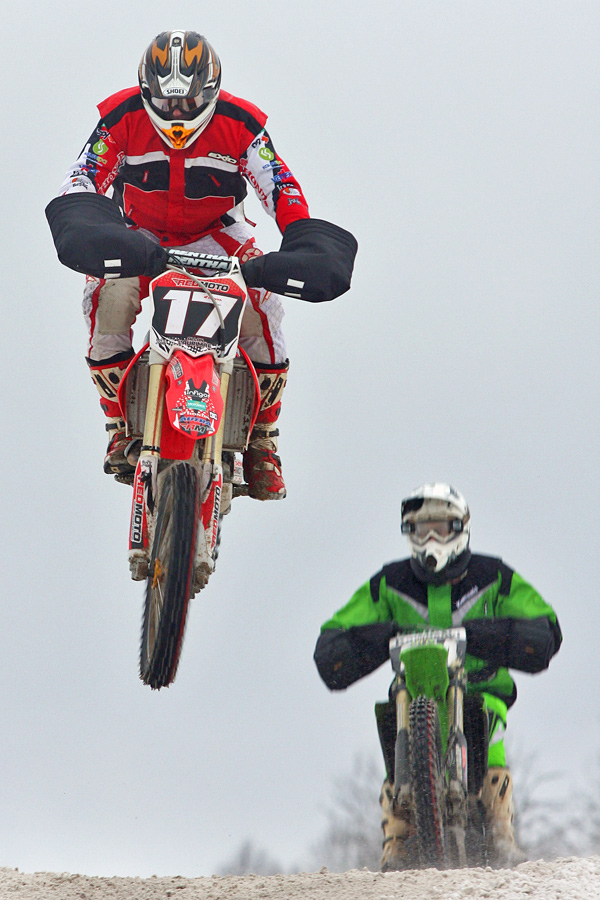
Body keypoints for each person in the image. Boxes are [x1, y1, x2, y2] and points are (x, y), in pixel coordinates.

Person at [46, 30, 357, 498]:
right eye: (166, 102)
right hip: (138, 233)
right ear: (146, 92)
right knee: (105, 295)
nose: (177, 113)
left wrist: (302, 238)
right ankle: (118, 424)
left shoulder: (241, 123)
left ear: (210, 92)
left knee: (263, 306)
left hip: (218, 234)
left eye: (188, 102)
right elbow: (83, 175)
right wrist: (84, 219)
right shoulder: (120, 117)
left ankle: (262, 440)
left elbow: (281, 187)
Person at [313, 483, 562, 870]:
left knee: (491, 728)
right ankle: (397, 835)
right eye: (421, 529)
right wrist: (384, 635)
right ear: (408, 532)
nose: (431, 539)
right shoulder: (390, 583)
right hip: (413, 695)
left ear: (460, 528)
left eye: (440, 529)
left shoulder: (492, 576)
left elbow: (544, 625)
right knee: (394, 729)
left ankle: (500, 831)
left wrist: (483, 636)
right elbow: (333, 637)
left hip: (481, 689)